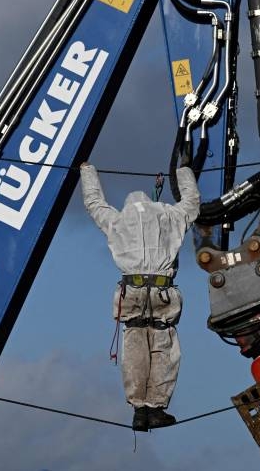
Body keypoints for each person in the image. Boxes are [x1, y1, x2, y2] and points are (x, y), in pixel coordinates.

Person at [79, 161, 200, 431]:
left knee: (135, 346)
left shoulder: (118, 220)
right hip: (162, 291)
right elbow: (192, 202)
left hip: (132, 290)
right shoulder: (170, 216)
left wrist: (87, 171)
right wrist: (184, 171)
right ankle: (156, 408)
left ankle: (139, 409)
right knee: (164, 346)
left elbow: (94, 203)